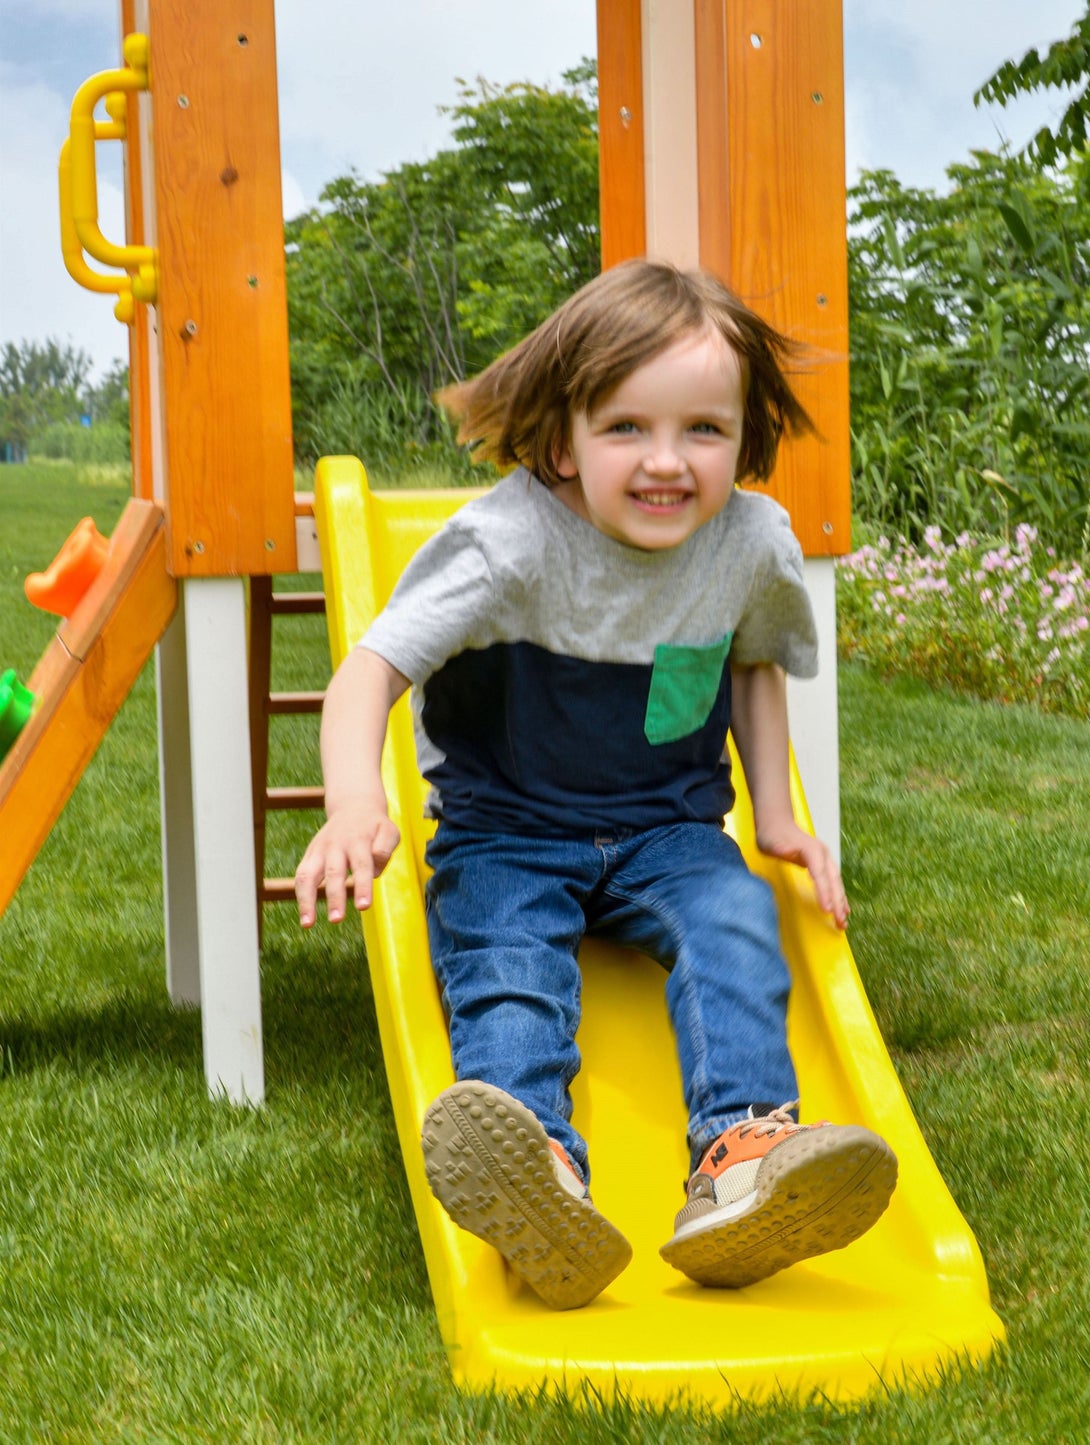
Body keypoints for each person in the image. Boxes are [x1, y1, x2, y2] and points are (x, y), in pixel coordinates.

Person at [294, 259, 897, 1310]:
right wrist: (355, 800)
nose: (666, 462)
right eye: (625, 427)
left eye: (703, 430)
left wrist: (779, 815)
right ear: (558, 436)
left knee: (735, 928)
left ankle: (741, 1163)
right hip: (509, 830)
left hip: (668, 828)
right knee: (508, 964)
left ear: (744, 436)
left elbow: (751, 660)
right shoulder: (508, 543)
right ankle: (539, 1174)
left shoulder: (748, 540)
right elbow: (369, 670)